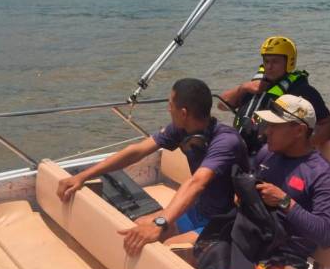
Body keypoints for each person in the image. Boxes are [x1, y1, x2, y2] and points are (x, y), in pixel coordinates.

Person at [56, 78, 250, 256]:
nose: (168, 109)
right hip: (199, 209)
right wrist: (83, 175)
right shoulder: (182, 129)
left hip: (226, 220)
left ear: (183, 113)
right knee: (135, 228)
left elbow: (197, 182)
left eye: (170, 105)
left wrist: (160, 223)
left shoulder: (226, 141)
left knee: (168, 251)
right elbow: (136, 151)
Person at [205, 94, 330, 269]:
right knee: (190, 256)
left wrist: (285, 201)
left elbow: (326, 234)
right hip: (252, 242)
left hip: (286, 263)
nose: (266, 132)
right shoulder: (267, 154)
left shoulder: (322, 174)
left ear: (298, 130)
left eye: (274, 127)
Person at [219, 36, 330, 154]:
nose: (269, 67)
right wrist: (242, 88)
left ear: (289, 62)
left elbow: (329, 126)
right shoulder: (254, 86)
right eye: (266, 61)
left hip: (271, 154)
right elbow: (221, 106)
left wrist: (305, 147)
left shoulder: (302, 90)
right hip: (240, 148)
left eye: (275, 62)